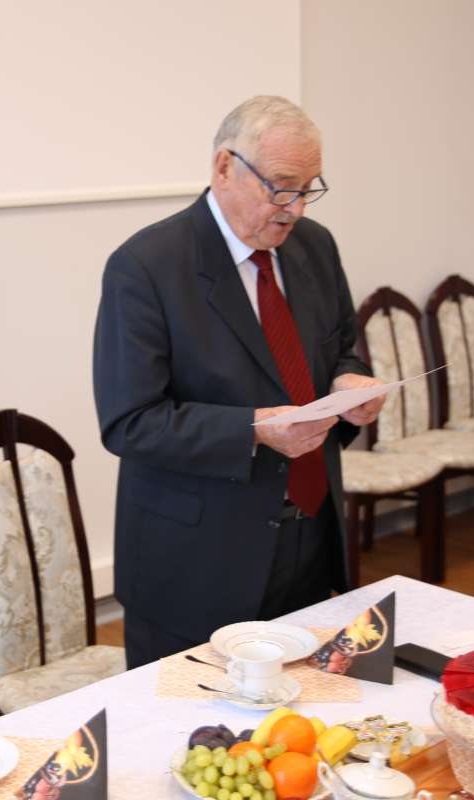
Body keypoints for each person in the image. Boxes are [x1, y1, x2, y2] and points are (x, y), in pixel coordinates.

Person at [92, 96, 385, 669]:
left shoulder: (315, 246)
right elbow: (130, 422)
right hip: (198, 559)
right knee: (193, 719)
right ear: (224, 167)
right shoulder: (147, 266)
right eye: (281, 187)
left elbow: (340, 347)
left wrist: (349, 381)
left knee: (302, 707)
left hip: (308, 533)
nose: (294, 208)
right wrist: (253, 430)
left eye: (308, 189)